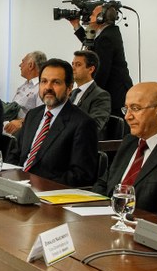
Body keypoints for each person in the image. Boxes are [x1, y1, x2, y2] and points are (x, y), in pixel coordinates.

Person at [92, 82, 157, 214]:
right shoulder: (129, 141)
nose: (127, 117)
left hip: (146, 224)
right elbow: (104, 183)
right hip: (106, 218)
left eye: (135, 108)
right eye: (126, 109)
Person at [6, 58, 98, 187]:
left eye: (56, 82)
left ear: (69, 88)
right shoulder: (33, 115)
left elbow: (81, 175)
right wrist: (10, 179)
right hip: (18, 186)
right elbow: (15, 154)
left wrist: (38, 184)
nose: (48, 87)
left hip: (48, 192)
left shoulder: (83, 124)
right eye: (44, 81)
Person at [70, 3, 133, 116]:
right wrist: (76, 25)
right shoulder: (108, 32)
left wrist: (90, 95)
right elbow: (92, 44)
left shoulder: (106, 38)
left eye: (93, 14)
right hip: (117, 91)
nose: (90, 17)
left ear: (100, 18)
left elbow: (102, 71)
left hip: (115, 95)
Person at [3, 51, 46, 135]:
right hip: (10, 127)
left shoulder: (41, 87)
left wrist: (21, 122)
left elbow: (42, 114)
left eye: (23, 62)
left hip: (25, 131)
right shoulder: (24, 85)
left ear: (31, 65)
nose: (20, 65)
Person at [71, 50, 111, 134]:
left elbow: (94, 126)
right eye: (73, 64)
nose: (73, 68)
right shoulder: (71, 93)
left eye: (78, 65)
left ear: (90, 69)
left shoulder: (101, 95)